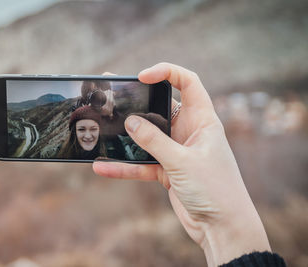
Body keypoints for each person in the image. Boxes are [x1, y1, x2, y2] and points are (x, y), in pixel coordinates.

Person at [93, 63, 286, 267]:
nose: (104, 102)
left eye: (108, 97)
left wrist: (219, 225)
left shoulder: (144, 121)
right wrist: (220, 225)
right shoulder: (96, 124)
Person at [74, 80, 127, 159]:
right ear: (86, 97)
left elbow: (126, 131)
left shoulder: (112, 107)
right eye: (93, 94)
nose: (97, 98)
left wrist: (112, 115)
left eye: (101, 94)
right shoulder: (79, 108)